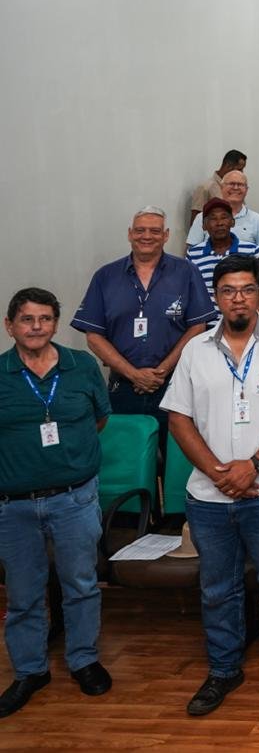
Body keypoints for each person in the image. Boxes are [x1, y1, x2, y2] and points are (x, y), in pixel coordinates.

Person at [162, 255, 259, 719]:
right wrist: (219, 472)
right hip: (210, 497)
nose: (238, 298)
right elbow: (178, 418)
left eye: (247, 289)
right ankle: (224, 669)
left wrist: (253, 465)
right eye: (228, 290)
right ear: (217, 296)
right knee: (216, 588)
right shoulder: (195, 350)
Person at [0, 288, 113, 718]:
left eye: (45, 319)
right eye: (27, 319)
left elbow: (98, 419)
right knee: (23, 595)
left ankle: (83, 659)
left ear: (55, 324)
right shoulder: (1, 373)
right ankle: (30, 670)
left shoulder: (81, 366)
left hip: (75, 499)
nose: (36, 327)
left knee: (81, 586)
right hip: (14, 506)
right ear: (10, 325)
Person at [72, 207, 216, 431]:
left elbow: (198, 326)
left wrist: (161, 371)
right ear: (130, 233)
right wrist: (134, 374)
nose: (146, 236)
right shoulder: (105, 276)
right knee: (127, 456)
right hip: (123, 387)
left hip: (175, 384)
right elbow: (94, 336)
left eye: (154, 231)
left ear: (166, 235)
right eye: (140, 230)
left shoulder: (187, 272)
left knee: (175, 457)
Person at [186, 198, 259, 298]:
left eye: (224, 217)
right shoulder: (193, 255)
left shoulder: (252, 251)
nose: (219, 223)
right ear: (204, 226)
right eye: (213, 219)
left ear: (232, 222)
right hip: (207, 313)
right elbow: (189, 290)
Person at [186, 170, 259, 248]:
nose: (236, 188)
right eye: (231, 184)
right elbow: (191, 250)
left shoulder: (256, 219)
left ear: (246, 190)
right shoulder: (202, 217)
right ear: (221, 188)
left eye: (240, 184)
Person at [191, 150, 248, 221]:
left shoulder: (237, 188)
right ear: (228, 166)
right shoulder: (206, 188)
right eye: (239, 169)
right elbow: (195, 220)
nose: (242, 173)